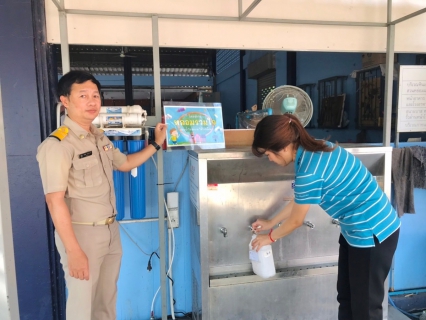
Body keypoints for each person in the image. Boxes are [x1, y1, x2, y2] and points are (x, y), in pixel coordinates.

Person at [36, 71, 167, 320]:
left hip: (110, 232)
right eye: (83, 95)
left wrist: (156, 143)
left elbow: (126, 163)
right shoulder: (58, 145)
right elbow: (54, 201)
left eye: (95, 95)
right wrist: (74, 251)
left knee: (106, 303)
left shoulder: (98, 137)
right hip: (82, 235)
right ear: (65, 101)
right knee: (82, 307)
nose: (92, 101)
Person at [250, 114, 400, 320]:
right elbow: (301, 199)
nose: (270, 159)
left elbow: (296, 220)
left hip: (373, 232)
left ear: (284, 146)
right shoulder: (316, 149)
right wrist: (271, 222)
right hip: (354, 232)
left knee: (365, 308)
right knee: (346, 298)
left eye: (269, 154)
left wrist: (269, 237)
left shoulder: (309, 169)